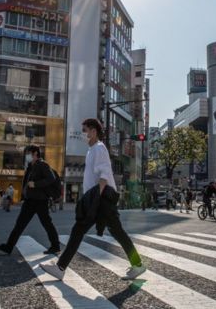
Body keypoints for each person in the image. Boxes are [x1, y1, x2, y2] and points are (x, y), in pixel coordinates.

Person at [40, 118, 146, 281]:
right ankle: (60, 267)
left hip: (101, 199)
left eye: (85, 130)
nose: (83, 134)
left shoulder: (99, 148)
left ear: (93, 131)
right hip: (97, 198)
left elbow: (104, 175)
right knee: (92, 231)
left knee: (101, 231)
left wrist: (95, 200)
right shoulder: (91, 150)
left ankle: (60, 268)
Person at [0, 145, 61, 255]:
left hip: (40, 201)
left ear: (35, 153)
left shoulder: (42, 165)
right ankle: (8, 247)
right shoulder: (31, 166)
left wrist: (36, 184)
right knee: (19, 224)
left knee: (47, 223)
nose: (26, 156)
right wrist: (23, 197)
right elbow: (26, 183)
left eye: (28, 153)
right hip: (30, 201)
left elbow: (51, 178)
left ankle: (56, 246)